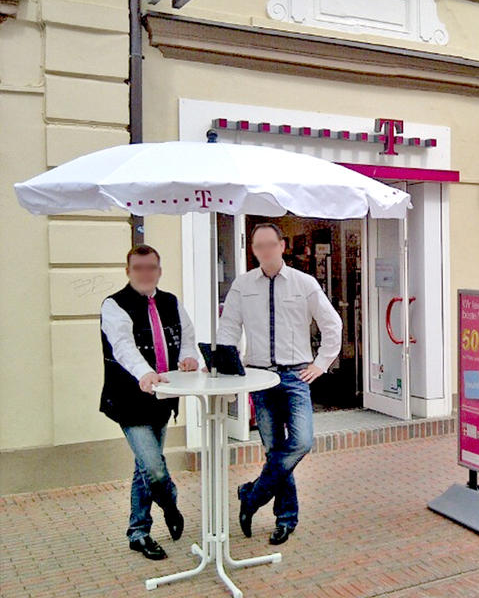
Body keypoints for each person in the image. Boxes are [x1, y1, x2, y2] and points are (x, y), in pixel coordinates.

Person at [217, 222, 342, 545]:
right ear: (253, 250)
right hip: (260, 376)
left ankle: (252, 495)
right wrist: (229, 369)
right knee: (274, 450)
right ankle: (286, 518)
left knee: (301, 442)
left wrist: (321, 363)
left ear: (282, 246)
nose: (265, 251)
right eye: (258, 247)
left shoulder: (304, 283)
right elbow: (228, 328)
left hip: (296, 375)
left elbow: (332, 324)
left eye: (270, 245)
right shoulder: (243, 286)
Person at [100, 245, 199, 560]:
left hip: (162, 400)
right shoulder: (114, 305)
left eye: (151, 267)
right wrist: (145, 373)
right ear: (128, 270)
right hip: (129, 401)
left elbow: (188, 338)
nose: (145, 273)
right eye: (139, 267)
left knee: (144, 466)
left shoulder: (171, 301)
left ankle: (138, 532)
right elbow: (123, 347)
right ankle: (170, 506)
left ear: (159, 269)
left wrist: (188, 359)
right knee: (154, 469)